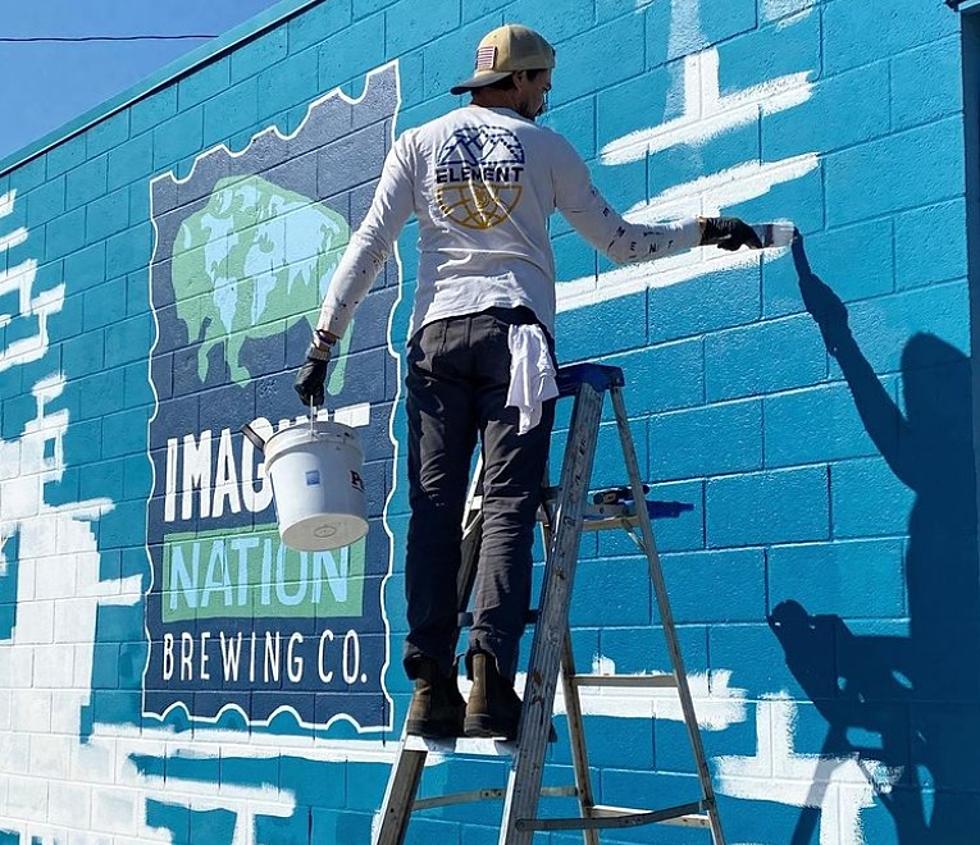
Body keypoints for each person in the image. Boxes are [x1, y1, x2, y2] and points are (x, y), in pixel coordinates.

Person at [294, 24, 763, 739]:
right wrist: (705, 229)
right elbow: (622, 241)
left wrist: (325, 341)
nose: (546, 95)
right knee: (508, 505)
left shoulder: (418, 144)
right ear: (514, 81)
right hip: (515, 338)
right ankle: (489, 682)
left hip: (436, 340)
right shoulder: (545, 150)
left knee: (432, 510)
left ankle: (429, 686)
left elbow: (370, 245)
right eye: (541, 81)